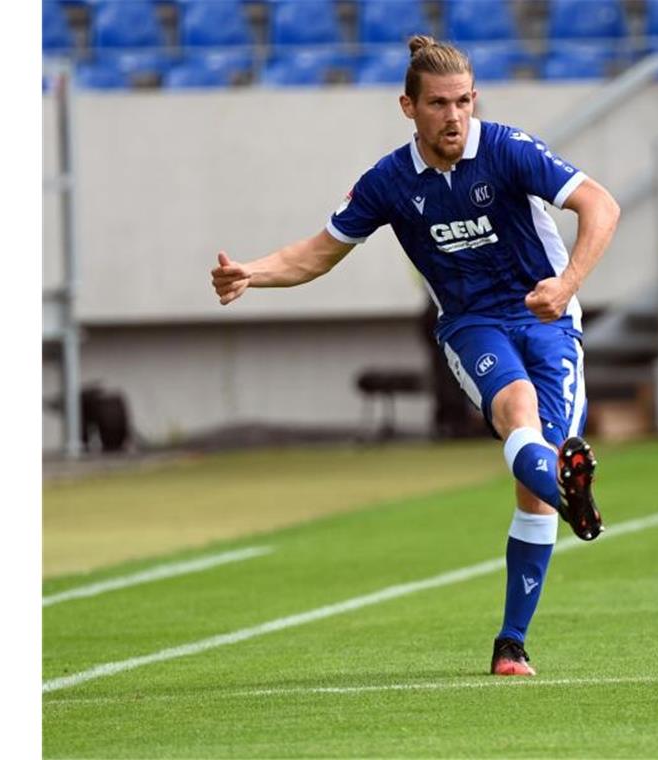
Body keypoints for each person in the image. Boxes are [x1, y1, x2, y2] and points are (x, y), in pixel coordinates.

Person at [210, 36, 620, 676]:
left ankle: (512, 638)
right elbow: (317, 253)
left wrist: (566, 285)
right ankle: (575, 496)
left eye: (463, 101)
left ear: (474, 100)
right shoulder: (390, 182)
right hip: (471, 326)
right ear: (409, 107)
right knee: (518, 412)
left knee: (532, 487)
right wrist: (250, 273)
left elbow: (600, 204)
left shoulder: (509, 149)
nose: (453, 116)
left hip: (549, 320)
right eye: (438, 104)